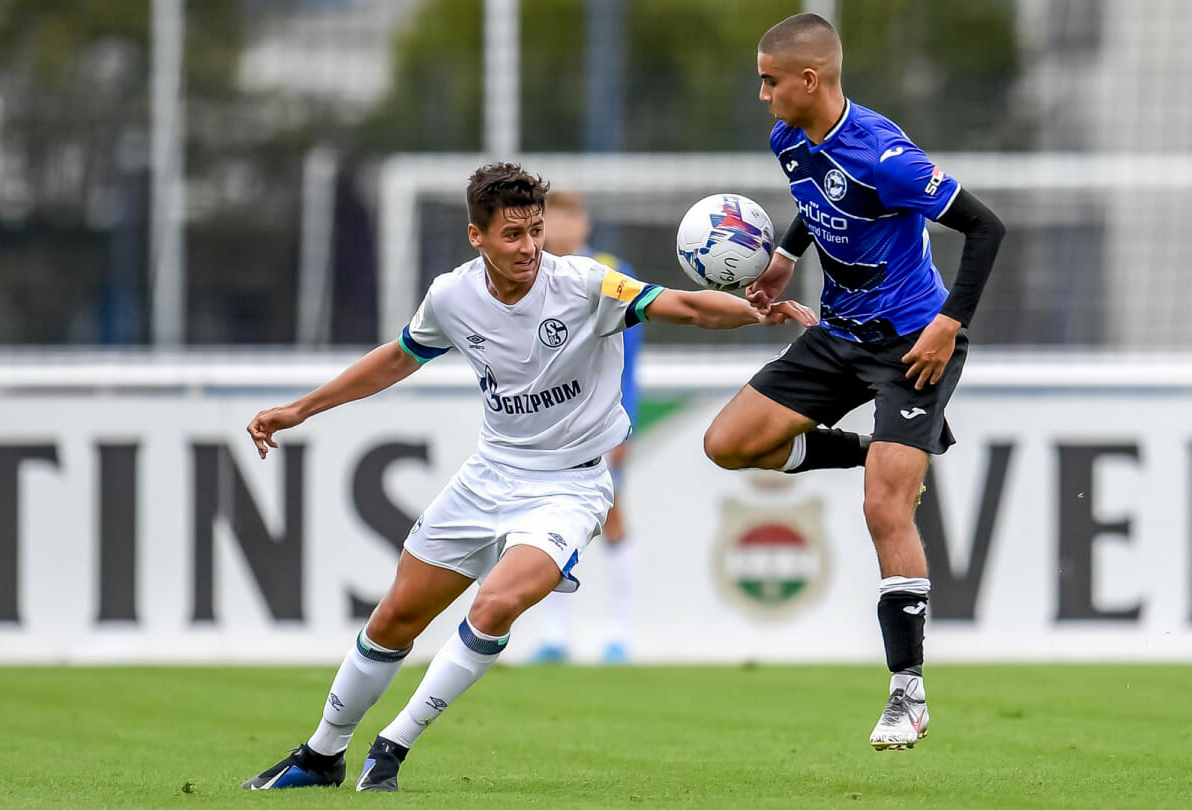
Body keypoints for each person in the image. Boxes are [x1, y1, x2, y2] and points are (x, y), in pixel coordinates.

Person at [241, 163, 816, 792]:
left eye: (535, 231)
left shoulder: (586, 284)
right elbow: (395, 360)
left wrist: (750, 314)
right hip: (488, 476)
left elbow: (678, 305)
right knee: (394, 620)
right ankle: (322, 755)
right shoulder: (452, 297)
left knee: (497, 605)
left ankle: (393, 745)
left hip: (569, 487)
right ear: (476, 237)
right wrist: (300, 408)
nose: (529, 247)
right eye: (513, 234)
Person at [701, 14, 1006, 751]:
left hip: (913, 344)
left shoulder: (886, 155)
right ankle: (882, 448)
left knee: (883, 509)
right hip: (838, 333)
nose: (763, 95)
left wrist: (949, 322)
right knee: (729, 444)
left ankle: (908, 694)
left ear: (810, 80)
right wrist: (782, 257)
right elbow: (819, 204)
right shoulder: (787, 139)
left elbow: (987, 227)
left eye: (770, 81)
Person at [530, 191, 641, 665]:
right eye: (552, 216)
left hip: (600, 422)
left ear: (585, 222)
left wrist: (623, 424)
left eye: (570, 215)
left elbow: (629, 359)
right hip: (545, 426)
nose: (562, 224)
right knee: (544, 526)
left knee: (611, 516)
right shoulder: (528, 275)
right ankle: (555, 635)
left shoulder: (612, 272)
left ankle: (620, 632)